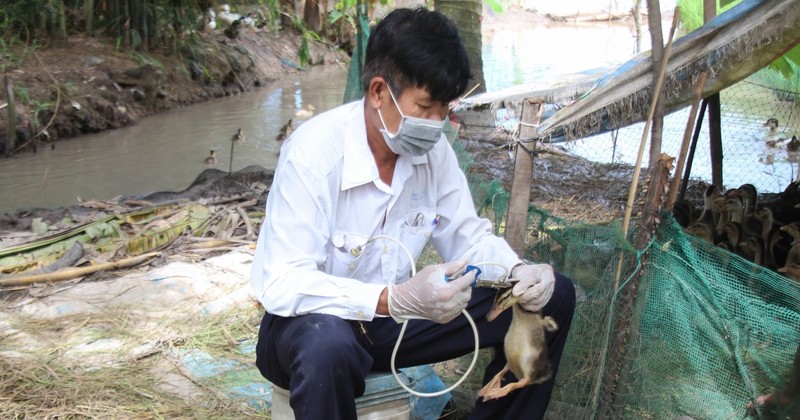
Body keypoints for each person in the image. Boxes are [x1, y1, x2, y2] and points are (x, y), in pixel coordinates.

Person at [251, 7, 575, 419]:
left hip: (395, 326)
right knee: (326, 343)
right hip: (309, 329)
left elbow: (469, 238)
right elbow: (283, 282)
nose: (437, 122)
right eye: (426, 106)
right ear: (378, 92)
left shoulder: (433, 153)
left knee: (552, 297)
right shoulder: (313, 154)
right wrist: (394, 299)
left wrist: (520, 273)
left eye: (445, 108)